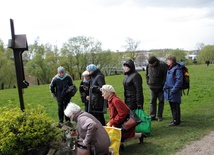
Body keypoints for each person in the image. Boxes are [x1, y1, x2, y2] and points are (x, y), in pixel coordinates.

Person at [146, 56, 168, 121]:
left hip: (161, 87)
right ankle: (152, 115)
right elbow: (146, 74)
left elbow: (166, 76)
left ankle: (159, 116)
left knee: (161, 101)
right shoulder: (148, 65)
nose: (151, 65)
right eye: (150, 64)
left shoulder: (163, 65)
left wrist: (163, 84)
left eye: (152, 64)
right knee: (152, 101)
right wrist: (148, 82)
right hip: (152, 87)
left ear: (155, 62)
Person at [163, 56, 183, 126]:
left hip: (174, 91)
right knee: (172, 106)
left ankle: (176, 121)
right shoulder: (170, 69)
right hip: (169, 91)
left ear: (172, 61)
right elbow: (167, 80)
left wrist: (173, 90)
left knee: (175, 106)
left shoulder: (177, 69)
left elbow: (179, 81)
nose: (167, 61)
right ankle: (175, 120)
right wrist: (165, 87)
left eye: (168, 60)